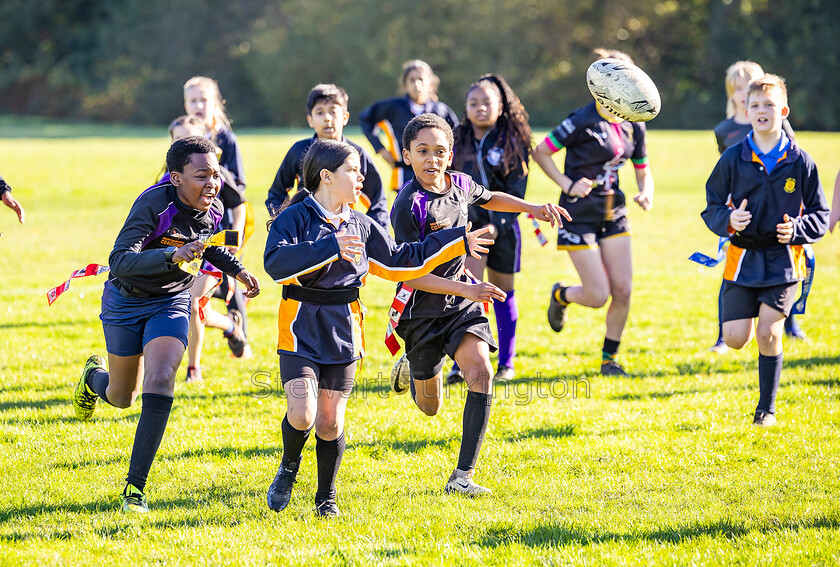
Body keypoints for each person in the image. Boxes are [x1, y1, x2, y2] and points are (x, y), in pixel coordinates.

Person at [263, 138, 492, 517]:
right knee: (302, 413)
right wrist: (331, 247)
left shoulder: (362, 223)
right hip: (301, 327)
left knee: (329, 420)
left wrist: (456, 242)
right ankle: (288, 468)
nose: (361, 179)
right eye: (353, 171)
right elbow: (276, 264)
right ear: (326, 177)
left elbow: (401, 263)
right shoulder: (296, 216)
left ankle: (326, 498)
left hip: (344, 328)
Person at [72, 136, 261, 512]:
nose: (212, 183)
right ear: (176, 177)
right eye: (201, 175)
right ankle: (94, 378)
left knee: (160, 380)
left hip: (171, 301)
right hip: (125, 300)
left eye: (216, 175)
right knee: (122, 397)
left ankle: (134, 490)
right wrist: (172, 256)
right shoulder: (153, 203)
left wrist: (238, 271)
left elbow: (209, 244)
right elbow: (121, 259)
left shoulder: (213, 207)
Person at [390, 113, 569, 495]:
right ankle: (411, 363)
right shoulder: (407, 207)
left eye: (440, 152)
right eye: (422, 151)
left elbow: (491, 198)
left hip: (460, 301)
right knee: (430, 407)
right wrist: (469, 285)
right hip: (422, 309)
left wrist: (532, 208)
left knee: (481, 371)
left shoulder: (459, 183)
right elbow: (408, 275)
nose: (432, 159)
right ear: (407, 155)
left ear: (451, 154)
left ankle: (462, 477)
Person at [701, 74, 828, 426]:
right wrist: (730, 219)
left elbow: (820, 215)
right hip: (742, 260)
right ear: (745, 109)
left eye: (769, 105)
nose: (761, 110)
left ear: (783, 111)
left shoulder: (801, 161)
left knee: (769, 333)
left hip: (784, 261)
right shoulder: (732, 158)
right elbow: (710, 207)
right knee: (735, 338)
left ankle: (766, 410)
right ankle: (751, 313)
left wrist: (797, 229)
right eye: (754, 105)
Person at [532, 48, 654, 376]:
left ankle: (609, 360)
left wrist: (646, 191)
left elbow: (643, 169)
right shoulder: (581, 119)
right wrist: (567, 183)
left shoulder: (634, 124)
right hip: (577, 214)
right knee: (598, 295)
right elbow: (541, 152)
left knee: (624, 290)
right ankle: (561, 295)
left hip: (615, 213)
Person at [709, 61, 802, 353]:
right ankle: (724, 335)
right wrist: (728, 216)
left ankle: (790, 324)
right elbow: (726, 175)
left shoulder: (776, 122)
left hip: (777, 215)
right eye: (737, 89)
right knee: (733, 271)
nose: (741, 93)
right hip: (739, 217)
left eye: (747, 86)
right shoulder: (723, 130)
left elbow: (793, 166)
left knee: (784, 273)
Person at [446, 74, 533, 385]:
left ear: (501, 106)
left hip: (505, 229)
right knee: (469, 292)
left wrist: (498, 226)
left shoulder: (514, 141)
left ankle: (506, 363)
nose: (480, 108)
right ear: (466, 108)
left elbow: (518, 191)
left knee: (503, 292)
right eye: (473, 103)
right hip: (467, 230)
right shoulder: (455, 140)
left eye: (487, 103)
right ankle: (462, 362)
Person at [167, 116, 249, 383]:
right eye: (177, 139)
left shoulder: (217, 174)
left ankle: (193, 370)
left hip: (210, 251)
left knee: (192, 305)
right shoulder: (169, 177)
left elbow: (239, 205)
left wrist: (233, 239)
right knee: (192, 309)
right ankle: (230, 324)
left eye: (189, 137)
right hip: (179, 251)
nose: (183, 143)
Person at [183, 76, 253, 357]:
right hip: (193, 222)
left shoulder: (226, 138)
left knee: (231, 278)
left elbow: (240, 188)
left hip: (225, 221)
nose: (198, 105)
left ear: (216, 103)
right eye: (192, 100)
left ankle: (241, 338)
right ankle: (216, 328)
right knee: (196, 283)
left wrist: (235, 231)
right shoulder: (182, 134)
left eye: (204, 100)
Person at [265, 84, 388, 228]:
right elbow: (276, 193)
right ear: (310, 119)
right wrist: (286, 225)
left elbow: (378, 202)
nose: (327, 118)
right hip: (307, 234)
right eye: (320, 112)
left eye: (333, 111)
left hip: (345, 232)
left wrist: (374, 239)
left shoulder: (357, 154)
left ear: (345, 117)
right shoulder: (299, 151)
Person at [359, 60, 459, 191]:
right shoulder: (393, 107)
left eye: (421, 79)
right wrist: (380, 148)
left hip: (435, 173)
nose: (417, 84)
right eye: (411, 80)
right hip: (404, 173)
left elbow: (458, 135)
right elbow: (365, 118)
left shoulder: (441, 110)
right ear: (405, 85)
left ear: (431, 84)